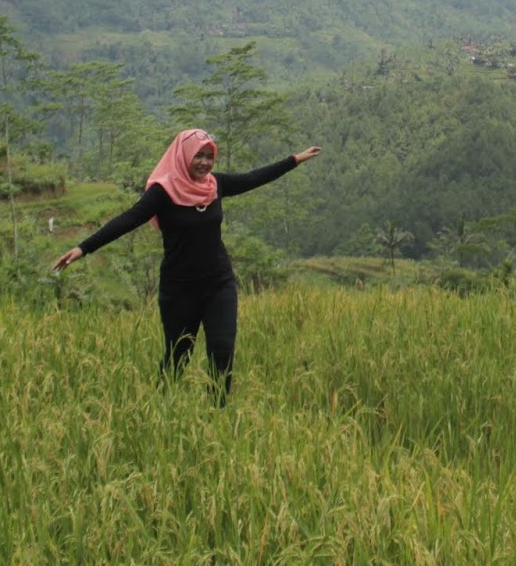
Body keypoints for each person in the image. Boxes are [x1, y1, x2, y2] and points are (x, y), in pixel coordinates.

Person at [51, 128, 322, 400]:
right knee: (178, 357)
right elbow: (128, 219)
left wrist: (294, 160)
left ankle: (217, 415)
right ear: (182, 156)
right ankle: (161, 409)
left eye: (209, 156)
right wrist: (83, 248)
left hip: (219, 284)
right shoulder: (163, 192)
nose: (204, 162)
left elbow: (253, 178)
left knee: (222, 350)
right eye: (198, 156)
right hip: (179, 290)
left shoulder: (215, 185)